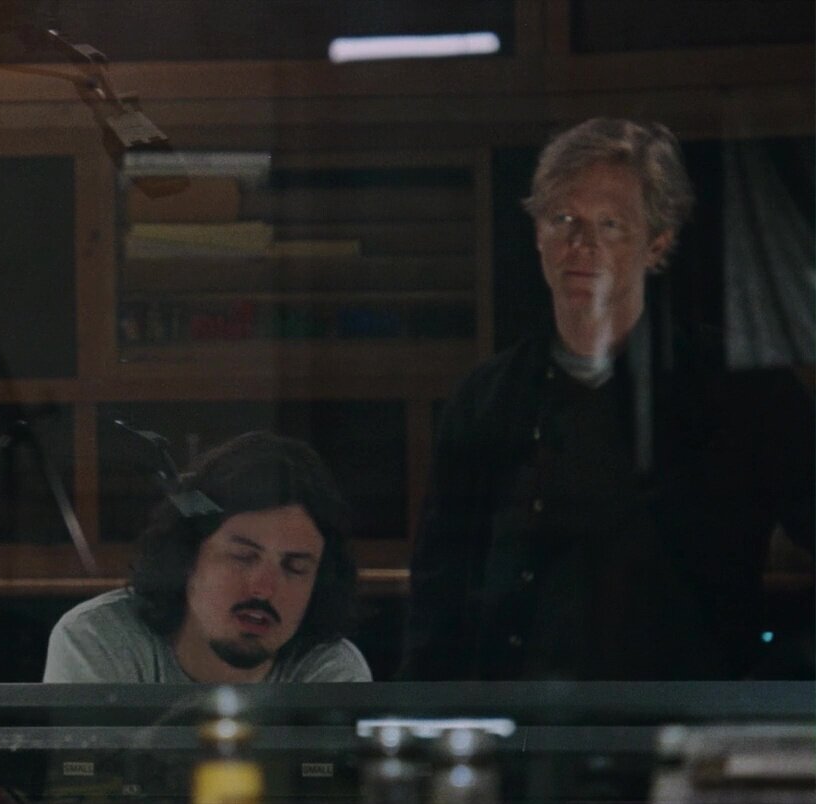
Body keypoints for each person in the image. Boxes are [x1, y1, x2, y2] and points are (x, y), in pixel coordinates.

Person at [401, 118, 813, 680]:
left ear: (657, 244)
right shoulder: (487, 399)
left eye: (611, 224)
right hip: (521, 720)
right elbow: (438, 598)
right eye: (563, 219)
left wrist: (776, 686)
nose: (582, 244)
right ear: (538, 233)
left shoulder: (742, 392)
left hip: (689, 718)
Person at [44, 431, 369, 683]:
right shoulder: (99, 640)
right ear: (186, 556)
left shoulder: (330, 669)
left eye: (295, 568)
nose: (264, 588)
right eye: (243, 557)